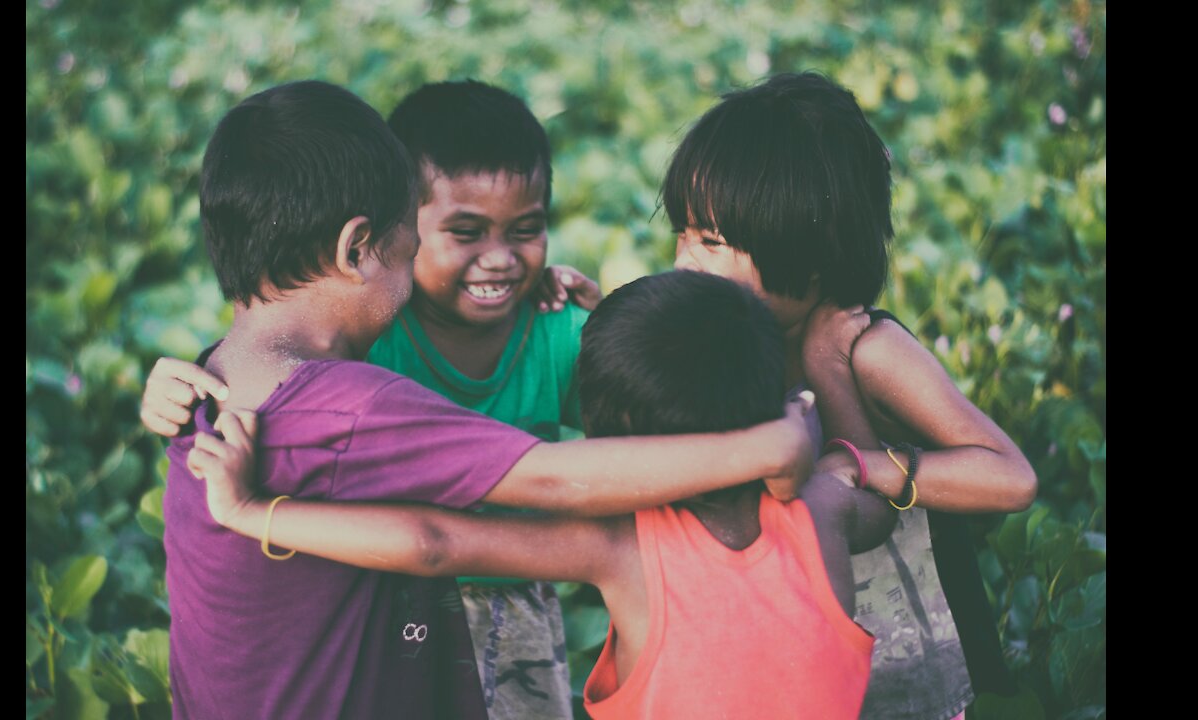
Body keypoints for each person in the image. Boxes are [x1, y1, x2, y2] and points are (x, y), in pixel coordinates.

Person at [164, 79, 816, 719]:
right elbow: (547, 483)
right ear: (357, 248)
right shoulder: (348, 405)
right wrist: (768, 445)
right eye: (410, 240)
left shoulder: (213, 381)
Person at [188, 270, 897, 720]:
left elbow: (432, 543)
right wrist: (822, 385)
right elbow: (867, 482)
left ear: (612, 439)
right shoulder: (825, 508)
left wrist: (253, 512)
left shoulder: (621, 547)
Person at [147, 79, 597, 719]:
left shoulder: (554, 330)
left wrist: (614, 322)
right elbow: (447, 529)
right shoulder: (365, 348)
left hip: (496, 595)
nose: (498, 260)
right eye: (461, 233)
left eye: (525, 231)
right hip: (409, 597)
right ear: (368, 244)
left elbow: (635, 408)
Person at [660, 71, 1037, 719]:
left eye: (712, 242)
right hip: (802, 660)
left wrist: (863, 451)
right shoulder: (723, 341)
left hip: (922, 653)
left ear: (810, 266)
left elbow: (1010, 480)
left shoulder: (871, 349)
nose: (684, 261)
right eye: (684, 233)